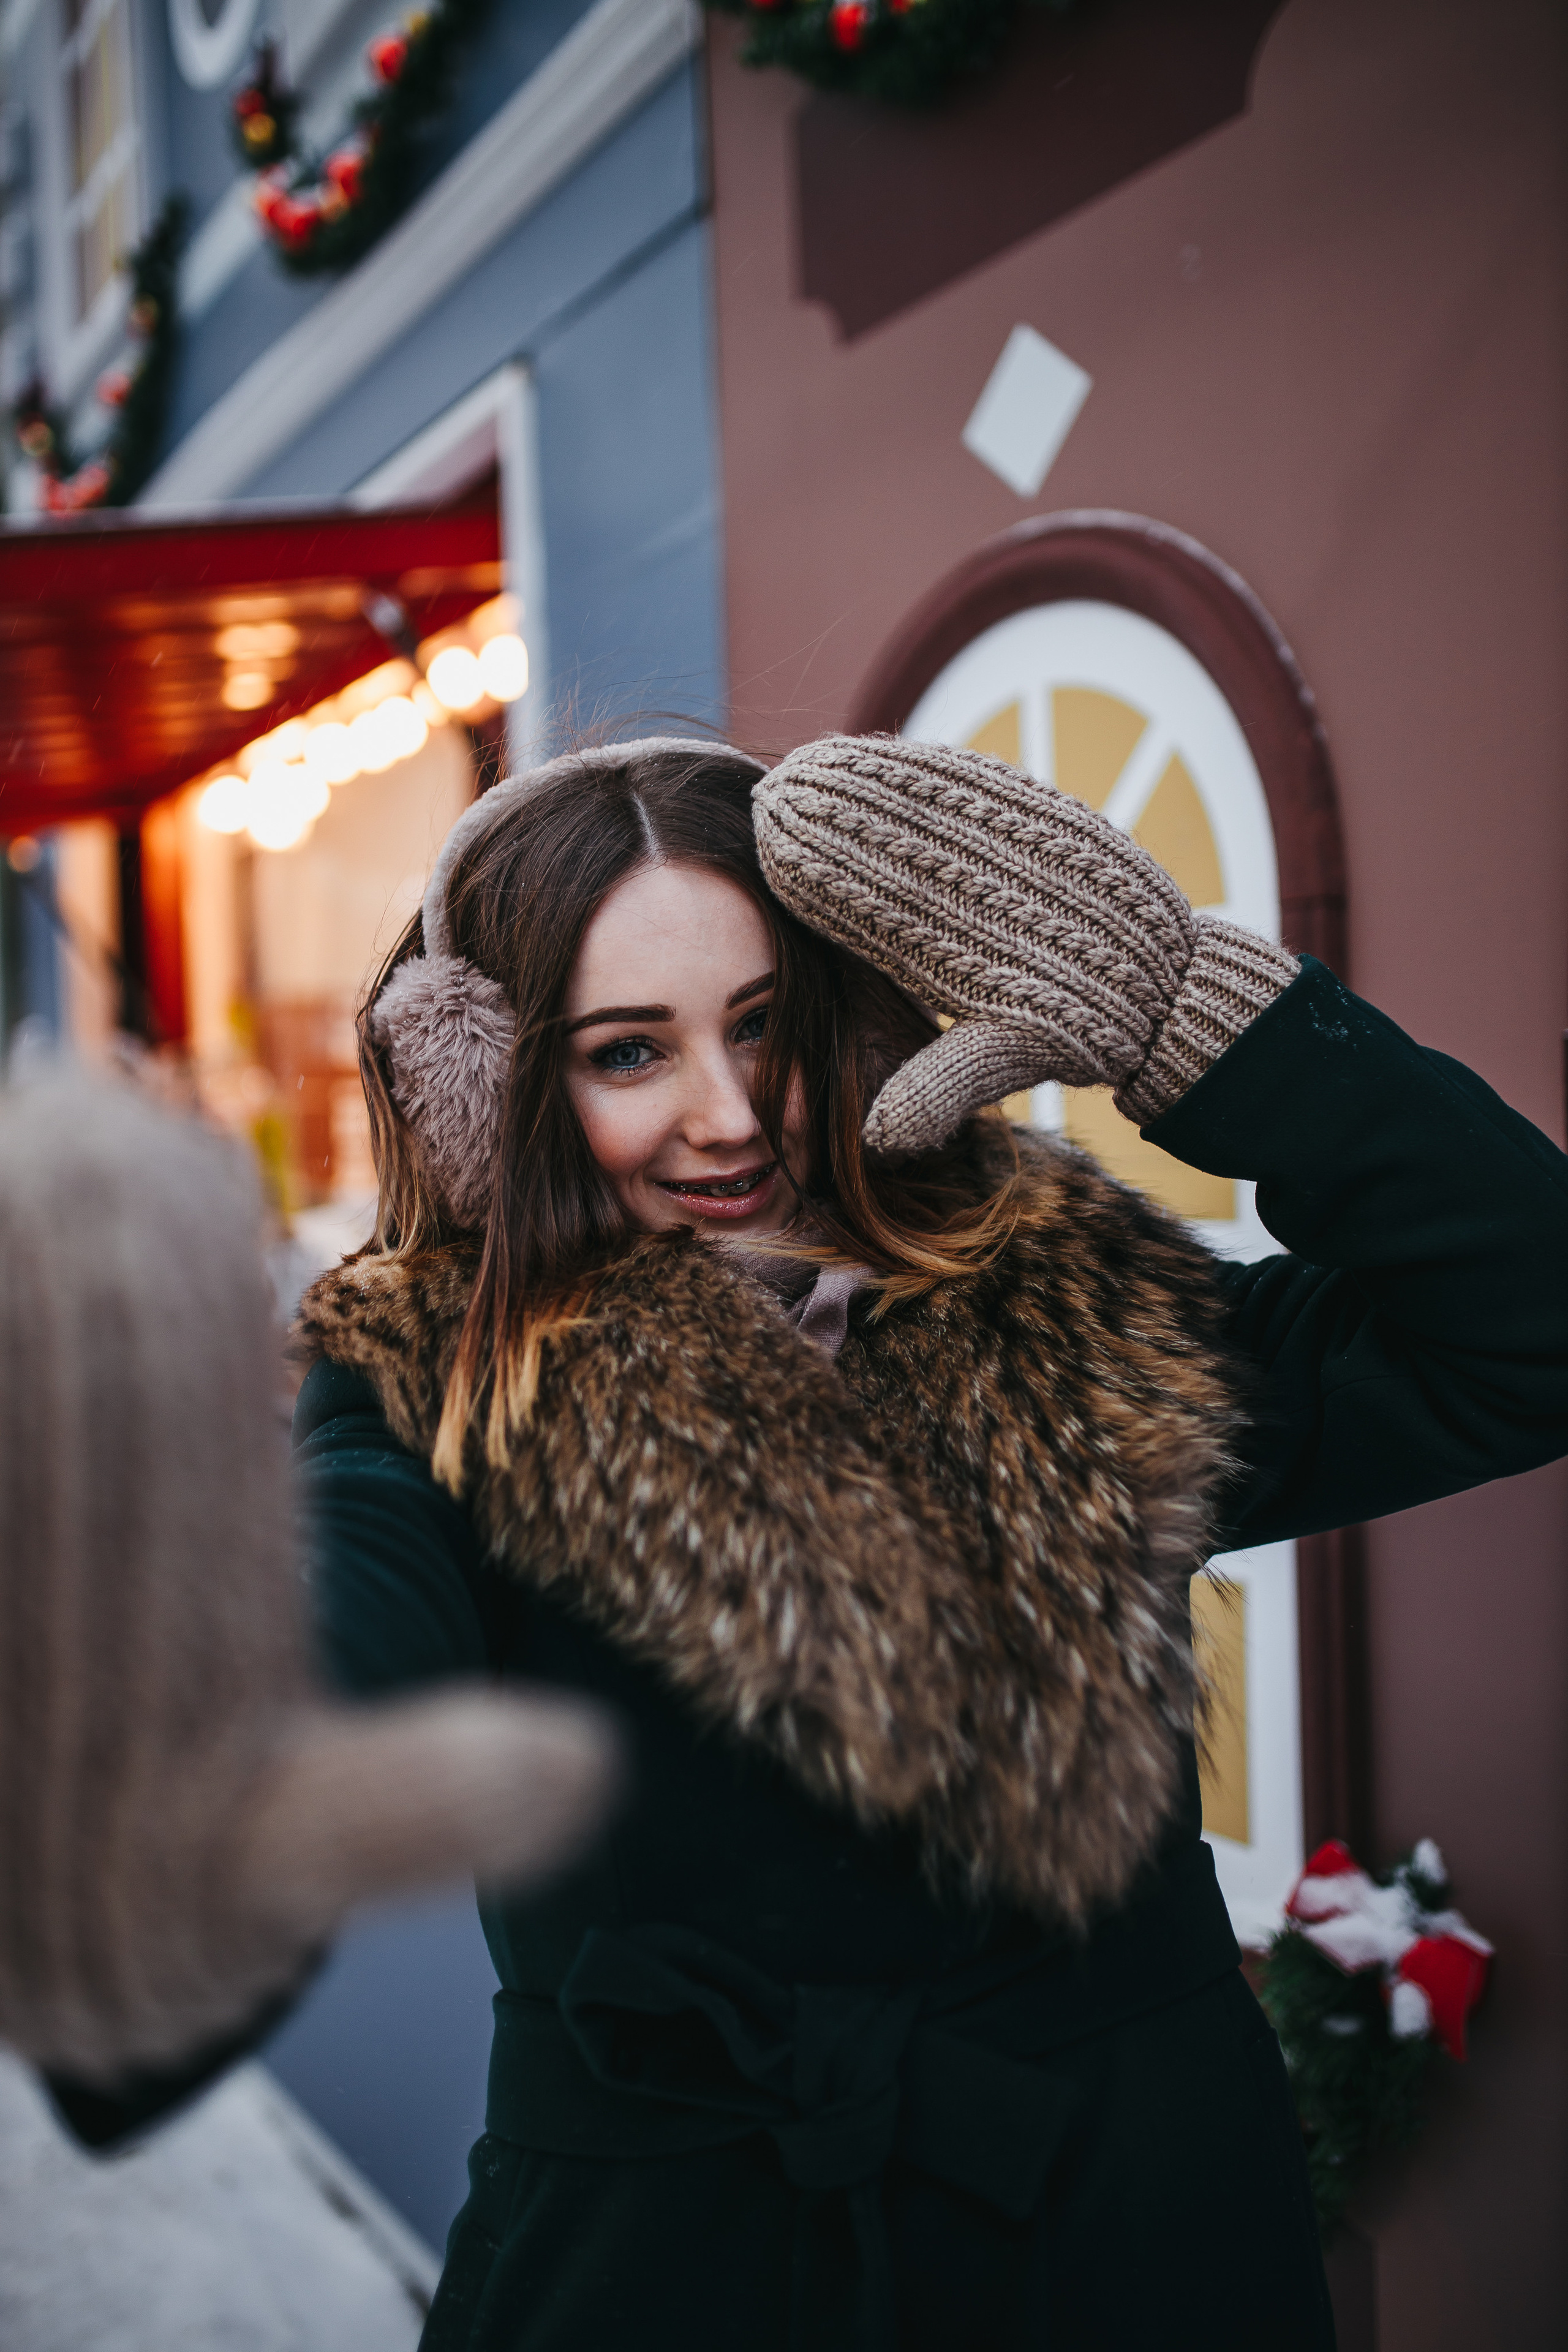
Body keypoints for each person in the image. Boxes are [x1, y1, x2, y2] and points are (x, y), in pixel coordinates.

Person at [282, 730, 1568, 2352]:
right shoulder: (434, 1378)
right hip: (676, 2267)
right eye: (629, 1052)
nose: (727, 1116)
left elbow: (1530, 1321)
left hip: (1137, 2237)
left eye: (765, 1024)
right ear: (491, 1089)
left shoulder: (1077, 1327)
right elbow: (342, 1598)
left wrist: (1203, 1023)